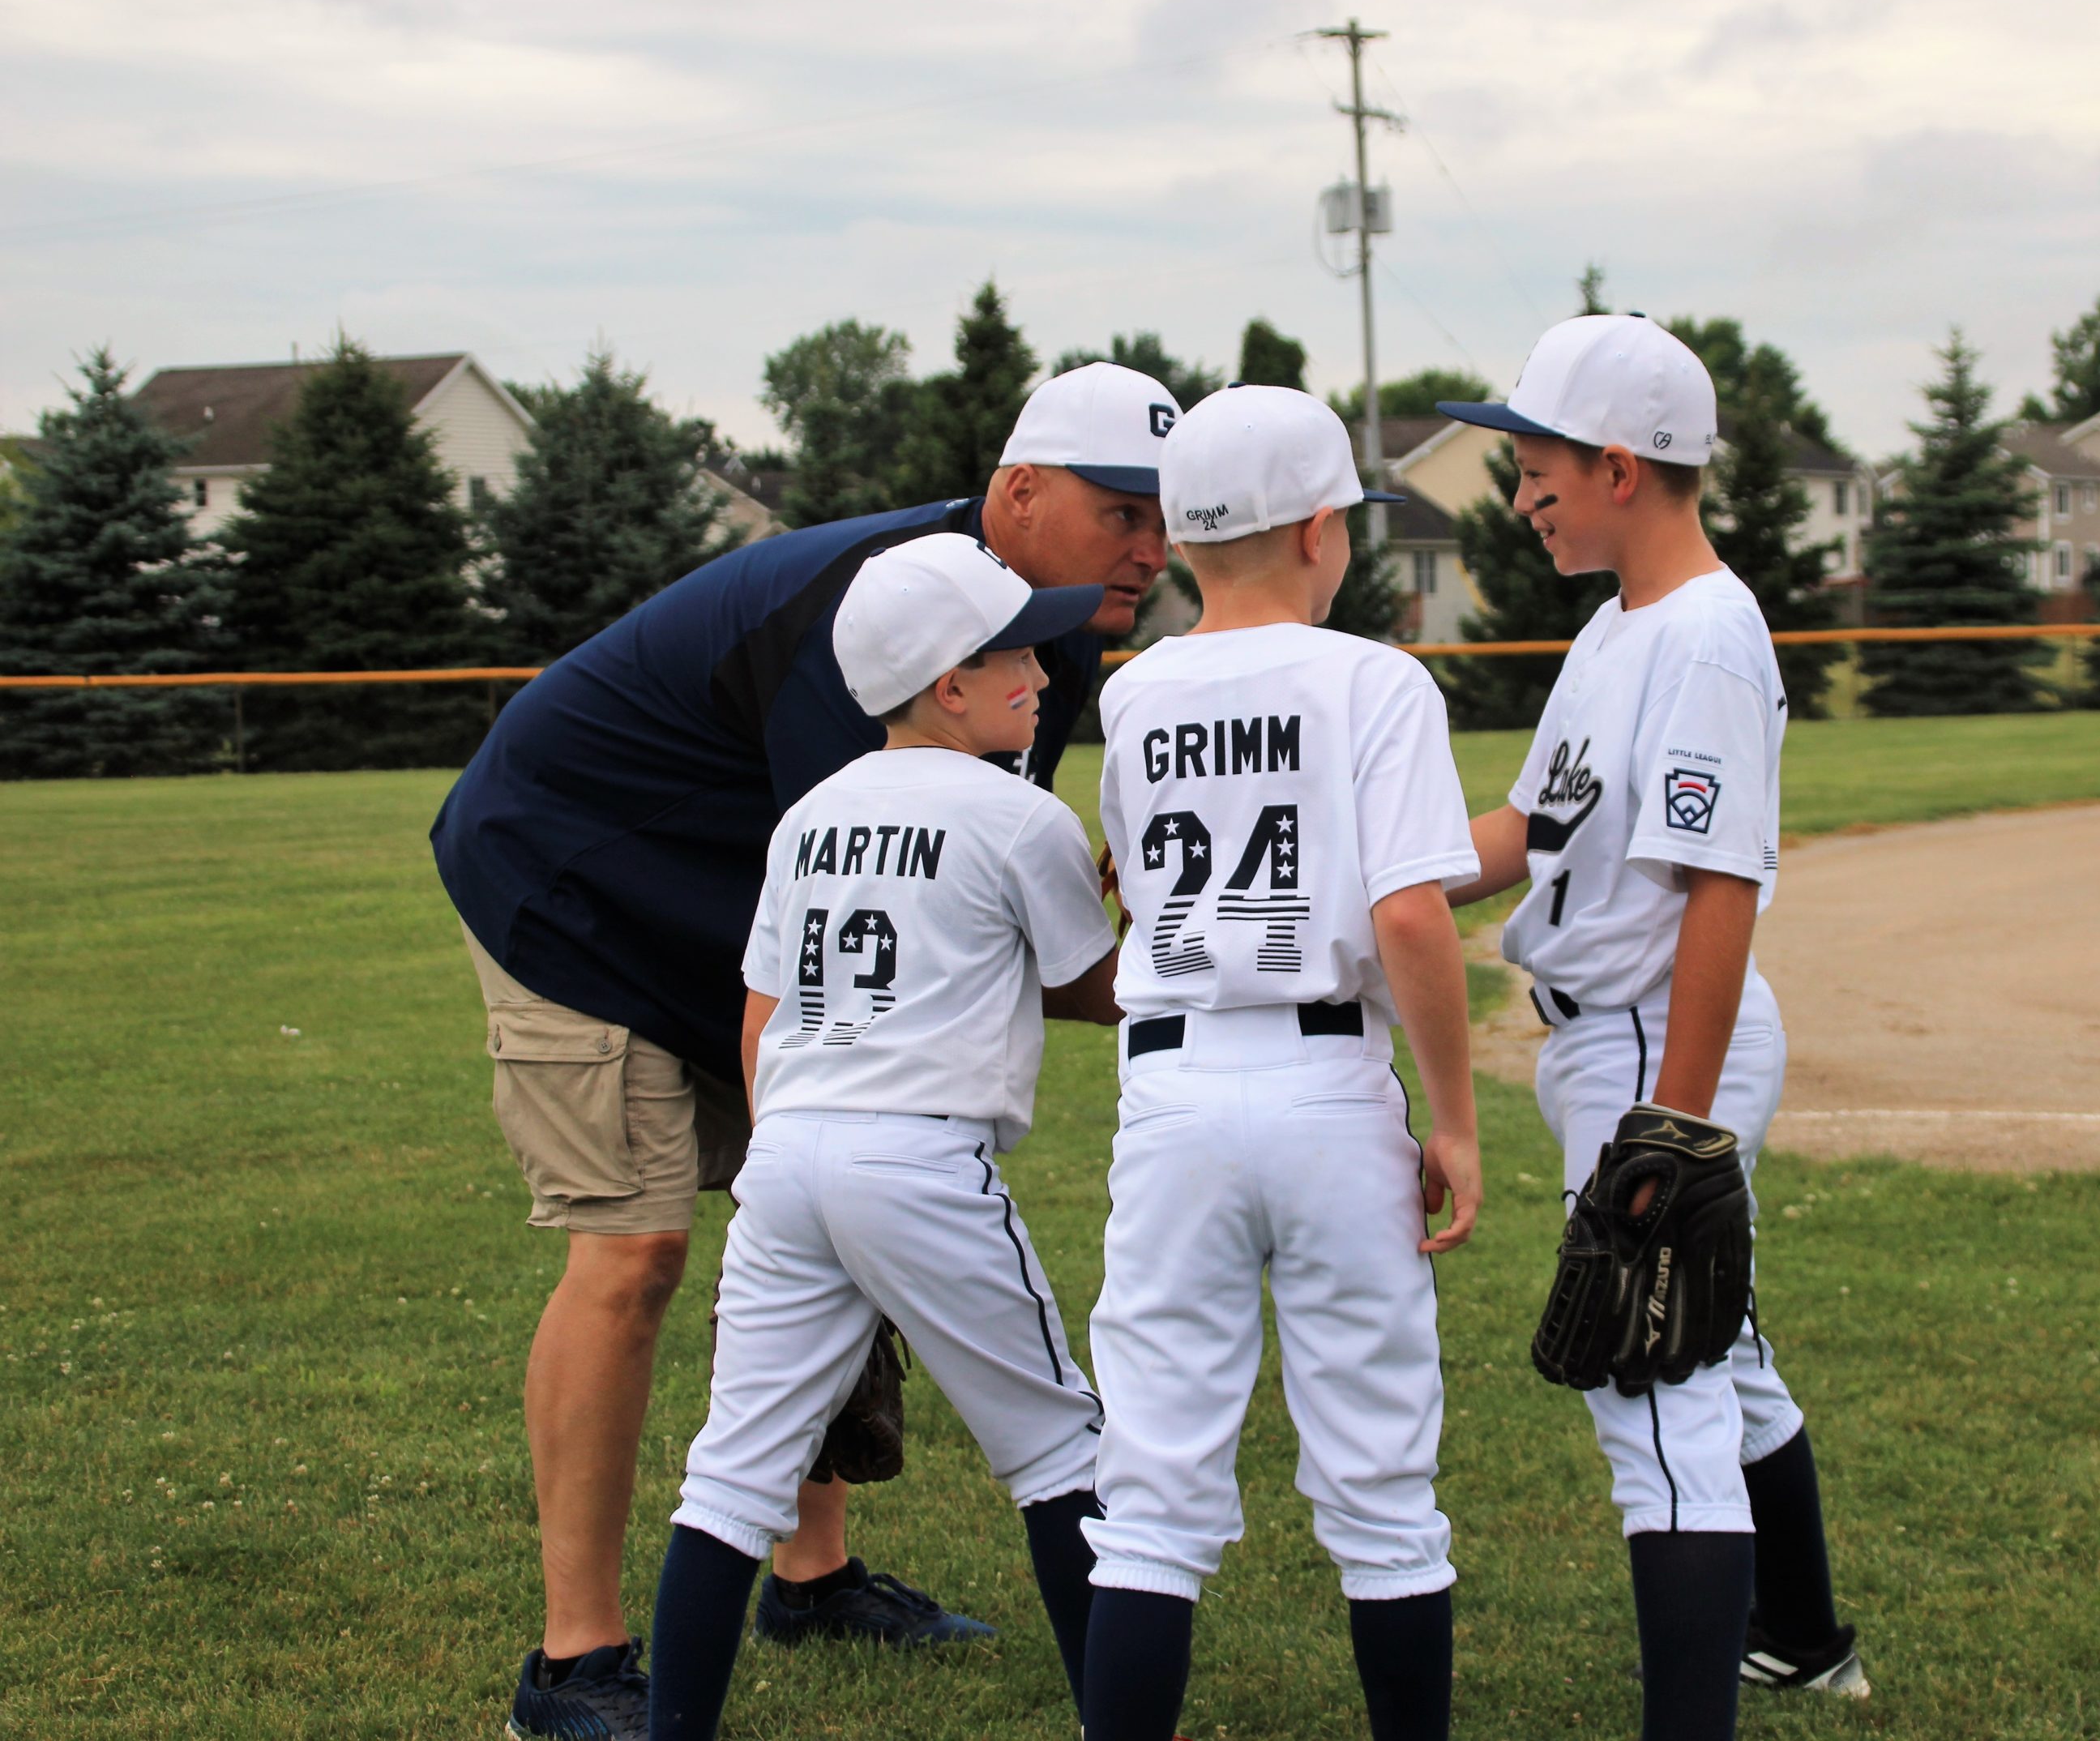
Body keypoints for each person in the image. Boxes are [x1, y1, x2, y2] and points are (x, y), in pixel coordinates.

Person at [428, 362, 1178, 1739]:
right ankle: (577, 1661)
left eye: (1169, 516)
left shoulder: (1035, 630)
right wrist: (1239, 977)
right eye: (1122, 510)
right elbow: (944, 913)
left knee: (820, 1204)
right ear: (1018, 493)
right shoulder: (883, 613)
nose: (1153, 546)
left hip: (757, 919)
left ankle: (810, 1573)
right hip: (574, 878)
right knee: (635, 1244)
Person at [1438, 317, 1867, 1740]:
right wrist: (1361, 872)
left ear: (1619, 465)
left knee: (1654, 1389)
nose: (1523, 496)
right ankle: (1801, 1645)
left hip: (1651, 1038)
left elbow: (1722, 888)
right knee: (1720, 1354)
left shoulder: (1704, 639)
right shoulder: (1618, 626)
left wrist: (1673, 1130)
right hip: (1612, 1036)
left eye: (1538, 465)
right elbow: (1521, 832)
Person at [646, 532, 1124, 1740]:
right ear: (944, 687)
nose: (1042, 670)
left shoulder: (811, 812)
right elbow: (1098, 986)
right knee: (1062, 1449)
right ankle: (1129, 1721)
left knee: (731, 1473)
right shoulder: (1015, 814)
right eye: (1011, 652)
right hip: (916, 1158)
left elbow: (763, 1009)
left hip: (791, 1147)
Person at [1077, 384, 1485, 1741]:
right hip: (1324, 1084)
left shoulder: (1134, 694)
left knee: (1152, 1490)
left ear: (1188, 542)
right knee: (1380, 1481)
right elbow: (1410, 911)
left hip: (1174, 1087)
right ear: (1323, 532)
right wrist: (1458, 1120)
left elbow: (1141, 884)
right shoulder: (1375, 679)